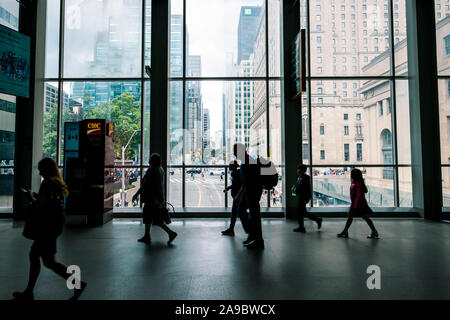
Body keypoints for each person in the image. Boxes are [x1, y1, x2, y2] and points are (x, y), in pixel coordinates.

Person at [13, 158, 86, 300]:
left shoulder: (46, 183)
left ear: (46, 169)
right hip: (53, 225)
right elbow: (49, 201)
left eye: (41, 169)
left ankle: (29, 292)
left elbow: (40, 204)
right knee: (47, 260)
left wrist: (30, 197)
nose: (39, 172)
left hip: (45, 227)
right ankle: (77, 284)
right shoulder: (56, 182)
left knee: (40, 258)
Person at [132, 153, 177, 244]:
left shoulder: (151, 169)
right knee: (153, 217)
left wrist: (136, 194)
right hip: (158, 198)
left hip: (151, 198)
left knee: (151, 217)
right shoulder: (161, 169)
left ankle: (169, 233)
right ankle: (148, 235)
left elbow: (145, 184)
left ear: (152, 160)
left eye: (150, 158)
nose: (149, 160)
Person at [233, 143, 264, 249]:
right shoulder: (247, 160)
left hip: (252, 192)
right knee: (250, 214)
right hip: (251, 192)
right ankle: (253, 235)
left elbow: (246, 182)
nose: (234, 153)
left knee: (252, 215)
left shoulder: (247, 161)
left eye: (235, 150)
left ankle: (257, 239)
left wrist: (238, 195)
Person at [337, 168, 379, 239]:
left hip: (359, 203)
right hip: (356, 203)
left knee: (363, 217)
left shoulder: (358, 183)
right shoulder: (355, 182)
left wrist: (355, 205)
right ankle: (345, 231)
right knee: (357, 217)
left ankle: (374, 231)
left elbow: (359, 195)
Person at [221, 161, 249, 236]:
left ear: (233, 166)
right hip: (237, 196)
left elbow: (237, 185)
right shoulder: (237, 173)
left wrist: (229, 187)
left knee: (237, 212)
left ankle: (249, 230)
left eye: (230, 165)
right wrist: (229, 187)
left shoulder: (235, 174)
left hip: (237, 196)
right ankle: (231, 229)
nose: (229, 166)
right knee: (235, 212)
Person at [293, 164, 323, 233]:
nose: (298, 170)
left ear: (303, 170)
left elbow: (307, 189)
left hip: (303, 197)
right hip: (301, 196)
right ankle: (317, 220)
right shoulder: (300, 177)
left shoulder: (306, 178)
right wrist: (295, 192)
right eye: (298, 169)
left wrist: (307, 198)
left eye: (299, 169)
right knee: (302, 212)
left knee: (300, 212)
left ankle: (302, 227)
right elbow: (299, 186)